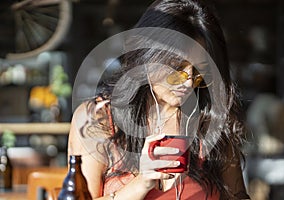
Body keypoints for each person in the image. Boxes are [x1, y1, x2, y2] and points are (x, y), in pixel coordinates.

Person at [68, 0, 250, 199]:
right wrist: (140, 184)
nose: (188, 84)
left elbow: (237, 195)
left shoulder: (212, 120)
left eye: (199, 72)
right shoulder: (98, 119)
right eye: (176, 68)